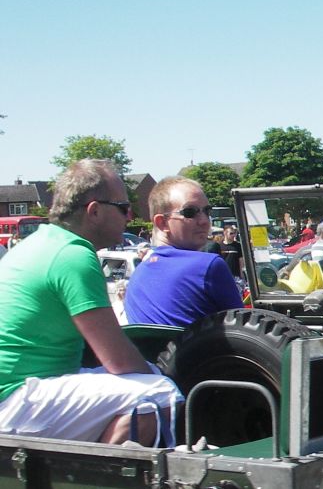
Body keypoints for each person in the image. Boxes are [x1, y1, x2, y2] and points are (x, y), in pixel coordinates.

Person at [0, 159, 181, 446]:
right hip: (14, 398)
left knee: (142, 385)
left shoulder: (41, 243)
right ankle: (98, 486)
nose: (130, 215)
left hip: (18, 391)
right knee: (159, 393)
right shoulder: (73, 255)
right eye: (123, 207)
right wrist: (164, 376)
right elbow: (118, 359)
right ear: (94, 211)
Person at [125, 177, 243, 327]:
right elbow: (245, 335)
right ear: (162, 223)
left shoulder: (137, 276)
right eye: (190, 212)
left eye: (207, 211)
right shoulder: (208, 266)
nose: (204, 221)